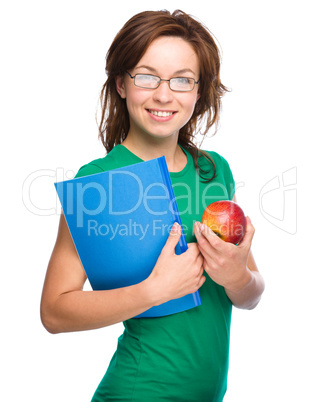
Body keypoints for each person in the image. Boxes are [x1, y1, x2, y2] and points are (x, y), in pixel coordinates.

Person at [40, 9, 265, 401]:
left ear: (198, 91)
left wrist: (237, 278)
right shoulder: (98, 183)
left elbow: (252, 293)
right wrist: (153, 291)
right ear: (121, 84)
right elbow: (55, 312)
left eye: (182, 80)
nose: (164, 94)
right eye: (147, 76)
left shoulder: (215, 172)